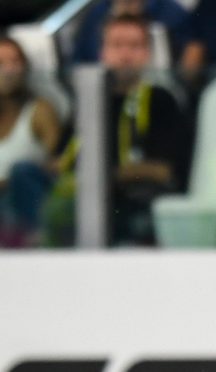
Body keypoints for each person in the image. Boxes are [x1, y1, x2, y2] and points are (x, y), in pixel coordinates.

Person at [49, 15, 191, 246]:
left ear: (148, 54)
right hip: (78, 196)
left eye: (135, 46)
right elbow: (57, 160)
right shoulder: (87, 101)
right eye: (117, 45)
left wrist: (106, 175)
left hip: (129, 199)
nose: (126, 54)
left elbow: (164, 170)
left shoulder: (160, 100)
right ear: (102, 52)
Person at [0, 33, 59, 246]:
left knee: (20, 172)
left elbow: (55, 167)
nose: (7, 71)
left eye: (14, 62)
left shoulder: (40, 111)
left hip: (22, 205)